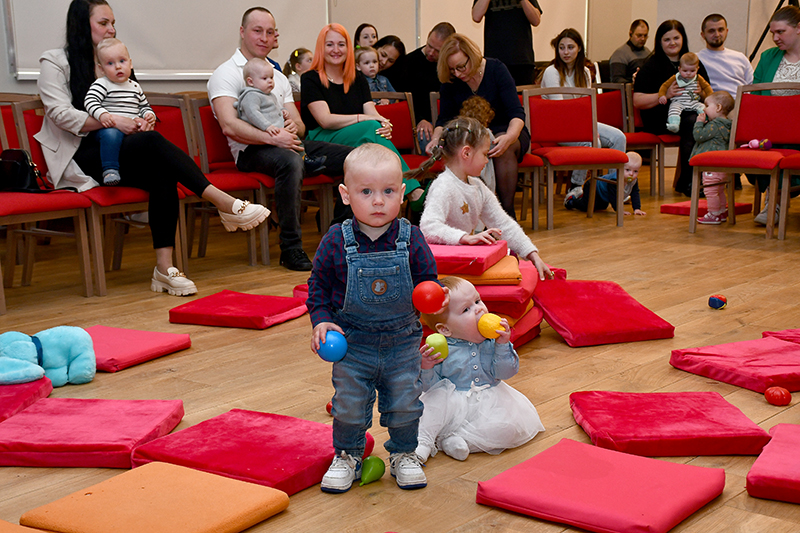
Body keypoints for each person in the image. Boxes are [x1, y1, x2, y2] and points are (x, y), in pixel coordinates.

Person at [37, 0, 268, 295]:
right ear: (83, 24)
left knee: (161, 169)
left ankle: (164, 270)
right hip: (80, 154)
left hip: (122, 149)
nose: (112, 29)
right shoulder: (54, 61)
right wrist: (114, 122)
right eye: (104, 23)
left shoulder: (114, 55)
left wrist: (145, 119)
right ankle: (222, 202)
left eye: (113, 23)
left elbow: (136, 101)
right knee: (154, 148)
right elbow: (59, 114)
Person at [307, 144, 442, 493]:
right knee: (348, 406)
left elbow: (429, 278)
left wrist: (433, 294)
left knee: (406, 404)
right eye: (366, 192)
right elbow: (318, 285)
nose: (378, 201)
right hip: (352, 343)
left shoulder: (411, 238)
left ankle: (404, 454)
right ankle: (347, 456)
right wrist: (321, 319)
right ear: (346, 194)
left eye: (387, 192)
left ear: (402, 193)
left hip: (402, 342)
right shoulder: (337, 240)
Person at [208, 7, 353, 271]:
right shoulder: (226, 73)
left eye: (270, 32)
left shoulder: (278, 76)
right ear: (242, 32)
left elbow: (299, 127)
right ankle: (291, 248)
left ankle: (337, 238)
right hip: (250, 151)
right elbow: (230, 126)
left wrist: (291, 126)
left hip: (286, 143)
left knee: (354, 158)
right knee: (291, 162)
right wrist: (275, 138)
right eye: (257, 31)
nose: (264, 37)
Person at [415, 276, 544, 462]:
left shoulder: (493, 343)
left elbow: (506, 373)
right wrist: (427, 367)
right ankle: (424, 441)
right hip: (451, 403)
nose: (479, 309)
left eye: (477, 300)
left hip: (488, 400)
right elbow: (431, 387)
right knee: (431, 407)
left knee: (507, 429)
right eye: (466, 309)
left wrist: (502, 345)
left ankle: (455, 440)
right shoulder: (442, 347)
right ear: (445, 330)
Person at [417, 116, 551, 280]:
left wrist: (532, 254)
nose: (487, 160)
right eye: (485, 154)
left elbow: (503, 223)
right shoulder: (443, 186)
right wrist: (465, 238)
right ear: (466, 153)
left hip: (464, 259)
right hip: (442, 269)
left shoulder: (478, 186)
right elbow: (428, 227)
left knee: (511, 260)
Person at [300, 24, 422, 199]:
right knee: (370, 129)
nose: (336, 50)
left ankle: (385, 202)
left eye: (341, 45)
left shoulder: (357, 78)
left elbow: (371, 111)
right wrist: (362, 119)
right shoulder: (310, 78)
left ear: (348, 48)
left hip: (356, 137)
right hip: (322, 139)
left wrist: (384, 123)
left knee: (374, 138)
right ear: (321, 47)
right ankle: (410, 191)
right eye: (330, 45)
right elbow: (325, 120)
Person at [431, 33, 529, 219]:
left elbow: (516, 113)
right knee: (466, 150)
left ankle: (506, 216)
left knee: (503, 150)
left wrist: (509, 137)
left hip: (508, 130)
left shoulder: (496, 69)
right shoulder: (451, 82)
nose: (458, 74)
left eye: (461, 67)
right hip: (472, 136)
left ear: (472, 56)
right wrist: (435, 139)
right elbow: (443, 120)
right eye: (452, 70)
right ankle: (474, 217)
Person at [539, 29, 627, 197]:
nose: (566, 52)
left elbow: (586, 106)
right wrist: (589, 132)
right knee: (593, 143)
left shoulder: (585, 72)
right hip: (556, 127)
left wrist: (589, 128)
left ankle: (614, 187)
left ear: (579, 48)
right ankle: (575, 187)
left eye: (570, 47)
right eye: (561, 47)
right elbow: (560, 110)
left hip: (580, 124)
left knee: (619, 137)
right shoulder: (552, 71)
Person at [633, 19, 710, 196]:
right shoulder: (651, 65)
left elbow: (708, 95)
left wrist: (702, 93)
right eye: (667, 39)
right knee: (693, 122)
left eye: (676, 38)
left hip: (689, 113)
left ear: (683, 39)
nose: (672, 43)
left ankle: (705, 179)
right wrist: (665, 95)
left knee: (705, 121)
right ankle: (689, 181)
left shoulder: (693, 63)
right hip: (660, 117)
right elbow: (638, 101)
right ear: (659, 42)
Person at [750, 5, 800, 225]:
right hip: (773, 129)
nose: (775, 38)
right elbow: (756, 94)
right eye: (773, 33)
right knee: (764, 145)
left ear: (799, 28)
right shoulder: (768, 56)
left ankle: (777, 199)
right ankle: (775, 201)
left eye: (781, 32)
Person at [83, 37, 155, 186]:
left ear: (130, 63)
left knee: (150, 137)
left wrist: (148, 115)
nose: (117, 67)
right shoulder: (102, 84)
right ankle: (110, 169)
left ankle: (145, 169)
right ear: (101, 69)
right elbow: (90, 102)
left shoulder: (135, 86)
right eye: (110, 63)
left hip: (132, 129)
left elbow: (144, 106)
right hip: (108, 128)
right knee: (111, 134)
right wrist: (103, 115)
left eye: (122, 61)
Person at [237, 58, 327, 174]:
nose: (270, 81)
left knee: (295, 142)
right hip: (264, 138)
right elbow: (253, 114)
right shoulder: (251, 95)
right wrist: (267, 126)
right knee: (290, 152)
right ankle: (305, 162)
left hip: (278, 131)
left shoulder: (269, 95)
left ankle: (306, 160)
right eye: (265, 78)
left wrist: (283, 111)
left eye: (271, 78)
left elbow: (275, 108)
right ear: (250, 81)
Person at [382, 22, 456, 152]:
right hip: (420, 122)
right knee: (427, 141)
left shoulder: (452, 67)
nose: (431, 52)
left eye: (437, 51)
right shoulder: (409, 63)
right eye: (429, 46)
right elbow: (405, 99)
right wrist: (421, 119)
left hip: (447, 121)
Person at [472, 0, 542, 87]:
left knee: (522, 98)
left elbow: (536, 20)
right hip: (495, 60)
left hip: (522, 60)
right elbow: (476, 16)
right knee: (496, 98)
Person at [691, 91, 734, 225]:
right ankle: (721, 212)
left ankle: (713, 214)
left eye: (707, 105)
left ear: (718, 108)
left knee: (710, 190)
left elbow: (699, 136)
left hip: (711, 163)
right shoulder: (727, 124)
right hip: (723, 165)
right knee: (719, 190)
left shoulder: (714, 125)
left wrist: (699, 123)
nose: (704, 108)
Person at [564, 151, 646, 217]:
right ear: (621, 167)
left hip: (603, 194)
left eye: (635, 171)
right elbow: (613, 197)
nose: (631, 174)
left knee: (602, 207)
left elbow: (635, 193)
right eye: (628, 170)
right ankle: (572, 201)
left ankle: (583, 197)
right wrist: (619, 210)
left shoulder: (634, 181)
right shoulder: (615, 180)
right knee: (587, 207)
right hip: (593, 186)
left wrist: (637, 208)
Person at [696, 14, 753, 96]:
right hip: (712, 104)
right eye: (711, 31)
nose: (717, 34)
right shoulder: (696, 59)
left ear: (726, 31)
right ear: (703, 35)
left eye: (720, 30)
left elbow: (753, 86)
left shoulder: (740, 57)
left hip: (741, 103)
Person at [657, 52, 712, 133]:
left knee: (702, 107)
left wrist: (710, 98)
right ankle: (674, 124)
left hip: (693, 101)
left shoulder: (698, 78)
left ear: (697, 69)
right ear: (679, 69)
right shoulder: (675, 77)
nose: (688, 73)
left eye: (692, 70)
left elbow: (707, 87)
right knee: (673, 109)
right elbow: (664, 86)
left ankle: (706, 120)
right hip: (678, 102)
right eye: (685, 70)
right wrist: (662, 95)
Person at [609, 19, 650, 83]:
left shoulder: (647, 52)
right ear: (630, 34)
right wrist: (633, 81)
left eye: (645, 35)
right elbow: (616, 80)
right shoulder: (620, 54)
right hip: (629, 90)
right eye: (639, 35)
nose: (643, 39)